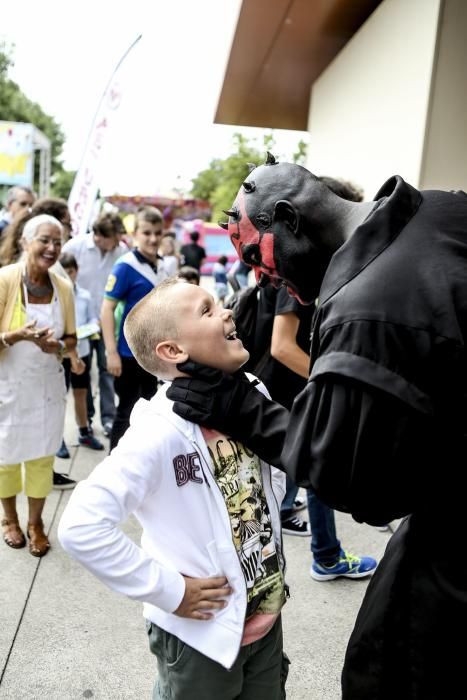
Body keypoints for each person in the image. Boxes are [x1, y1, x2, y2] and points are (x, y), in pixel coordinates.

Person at [167, 154, 467, 699]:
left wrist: (239, 407)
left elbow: (366, 490)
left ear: (289, 220)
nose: (260, 276)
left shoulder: (367, 308)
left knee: (387, 669)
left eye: (256, 255)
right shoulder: (443, 209)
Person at [58, 277, 289, 700]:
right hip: (199, 639)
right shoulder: (158, 430)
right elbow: (80, 526)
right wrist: (171, 590)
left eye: (219, 304)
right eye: (206, 310)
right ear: (173, 350)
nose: (227, 312)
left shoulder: (252, 392)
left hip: (264, 623)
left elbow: (270, 478)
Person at [257, 282, 376, 579]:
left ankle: (286, 511)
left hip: (286, 390)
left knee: (304, 460)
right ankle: (327, 556)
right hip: (290, 390)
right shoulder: (295, 278)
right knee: (319, 463)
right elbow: (282, 346)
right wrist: (329, 377)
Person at [0, 214, 82, 557]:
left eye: (57, 242)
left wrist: (57, 347)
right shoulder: (4, 280)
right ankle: (9, 520)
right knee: (4, 459)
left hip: (46, 388)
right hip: (8, 387)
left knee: (41, 460)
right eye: (44, 240)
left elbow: (72, 338)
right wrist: (17, 335)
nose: (52, 248)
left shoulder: (62, 287)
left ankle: (35, 523)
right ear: (25, 242)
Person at [101, 206, 168, 450]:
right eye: (147, 232)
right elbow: (106, 309)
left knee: (150, 411)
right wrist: (111, 352)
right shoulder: (125, 265)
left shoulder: (162, 265)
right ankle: (113, 466)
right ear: (135, 234)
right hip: (128, 354)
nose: (153, 238)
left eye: (157, 233)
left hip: (156, 354)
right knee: (126, 411)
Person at [62, 212, 126, 438]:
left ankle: (108, 417)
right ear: (99, 236)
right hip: (79, 323)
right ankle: (85, 418)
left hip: (107, 323)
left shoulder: (120, 251)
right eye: (114, 239)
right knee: (84, 372)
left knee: (108, 370)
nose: (117, 244)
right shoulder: (74, 247)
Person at [59, 253, 104, 452]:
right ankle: (57, 438)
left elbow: (94, 318)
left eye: (71, 271)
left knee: (81, 392)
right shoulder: (55, 296)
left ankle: (84, 431)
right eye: (64, 272)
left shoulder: (85, 295)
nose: (68, 276)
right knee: (60, 395)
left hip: (82, 350)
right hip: (61, 354)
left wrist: (93, 326)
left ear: (76, 271)